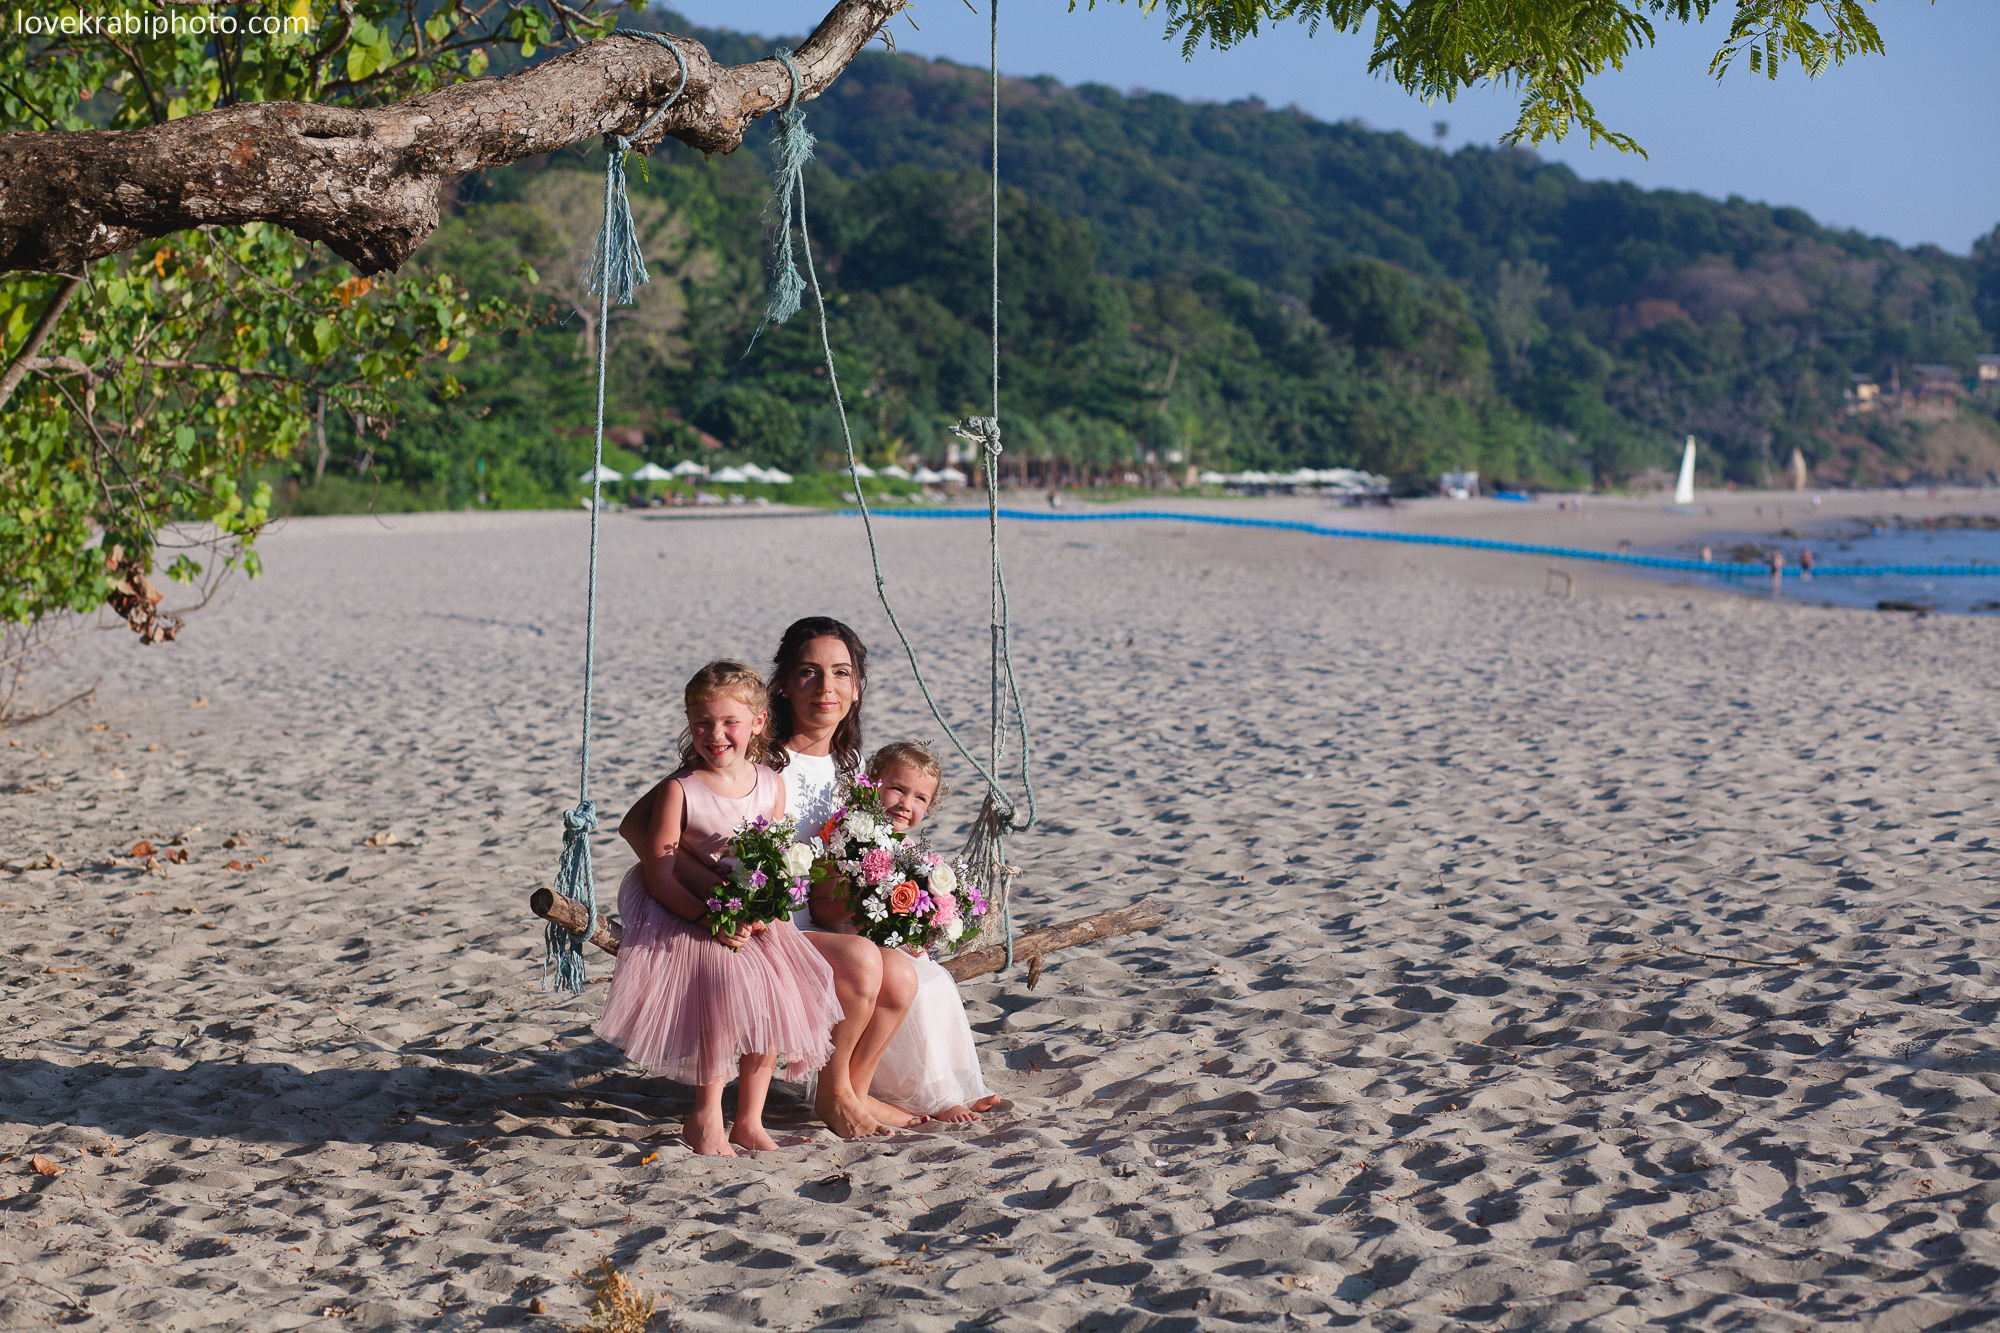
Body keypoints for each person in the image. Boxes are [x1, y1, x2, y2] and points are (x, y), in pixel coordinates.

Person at [598, 661, 843, 1157]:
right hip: (686, 910)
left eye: (729, 722)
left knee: (780, 987)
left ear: (757, 722)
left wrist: (763, 907)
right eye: (702, 723)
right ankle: (705, 1115)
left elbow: (773, 858)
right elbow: (659, 871)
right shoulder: (681, 789)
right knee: (728, 984)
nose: (716, 734)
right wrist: (707, 918)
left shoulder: (771, 783)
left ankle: (749, 1120)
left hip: (746, 909)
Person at [767, 617, 924, 1135]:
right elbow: (645, 822)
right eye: (809, 672)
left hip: (816, 920)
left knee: (900, 974)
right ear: (785, 682)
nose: (825, 688)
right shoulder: (762, 760)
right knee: (859, 961)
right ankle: (832, 1094)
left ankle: (856, 1089)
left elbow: (842, 871)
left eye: (840, 673)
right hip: (764, 922)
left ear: (856, 689)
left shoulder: (849, 770)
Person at [818, 742, 1001, 1123]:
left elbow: (908, 915)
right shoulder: (848, 838)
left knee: (939, 982)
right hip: (851, 944)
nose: (906, 803)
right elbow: (822, 906)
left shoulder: (910, 850)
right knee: (912, 987)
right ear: (871, 786)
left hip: (888, 948)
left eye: (920, 798)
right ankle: (919, 1096)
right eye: (898, 789)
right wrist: (867, 902)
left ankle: (949, 1086)